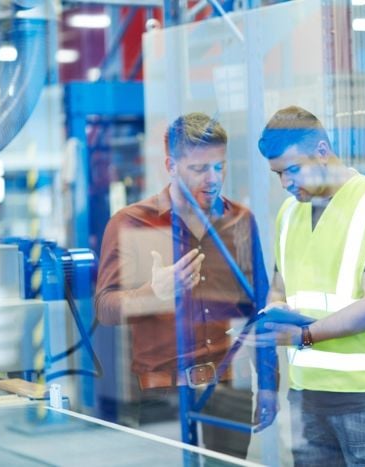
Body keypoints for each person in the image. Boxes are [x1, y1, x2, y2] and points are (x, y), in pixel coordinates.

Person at [95, 112, 274, 460]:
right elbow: (104, 308)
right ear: (171, 166)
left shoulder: (240, 221)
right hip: (162, 391)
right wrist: (152, 294)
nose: (213, 180)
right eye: (199, 169)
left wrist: (268, 384)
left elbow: (260, 310)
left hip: (228, 387)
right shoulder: (132, 223)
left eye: (219, 167)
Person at [255, 106, 365, 466]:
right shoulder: (290, 214)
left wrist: (303, 335)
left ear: (321, 151)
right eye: (278, 174)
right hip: (308, 396)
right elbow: (278, 289)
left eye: (292, 170)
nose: (285, 183)